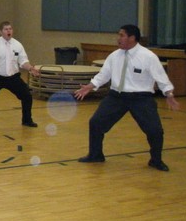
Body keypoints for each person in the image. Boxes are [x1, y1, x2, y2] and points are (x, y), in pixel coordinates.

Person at [74, 24, 179, 171]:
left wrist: (169, 94)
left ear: (132, 38)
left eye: (121, 35)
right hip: (116, 97)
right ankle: (95, 155)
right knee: (96, 122)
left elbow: (161, 78)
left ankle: (156, 160)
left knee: (155, 130)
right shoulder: (114, 56)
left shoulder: (148, 56)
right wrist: (90, 86)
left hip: (141, 98)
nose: (118, 38)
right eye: (118, 35)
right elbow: (104, 74)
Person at [0, 21, 40, 130]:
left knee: (27, 96)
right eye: (6, 29)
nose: (9, 31)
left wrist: (30, 68)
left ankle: (27, 120)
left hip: (13, 77)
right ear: (1, 32)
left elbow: (23, 61)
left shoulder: (17, 45)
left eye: (10, 29)